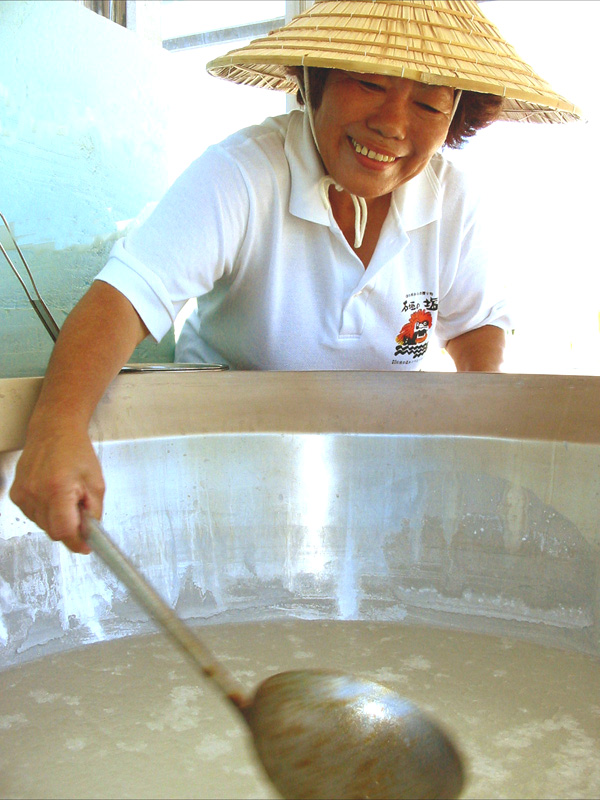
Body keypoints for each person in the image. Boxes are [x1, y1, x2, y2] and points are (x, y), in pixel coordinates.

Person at [9, 0, 581, 554]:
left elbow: (476, 326)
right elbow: (126, 298)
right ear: (318, 78)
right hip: (222, 491)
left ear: (456, 117)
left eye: (429, 106)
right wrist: (58, 427)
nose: (390, 124)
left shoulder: (453, 201)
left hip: (382, 499)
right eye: (370, 84)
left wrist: (482, 443)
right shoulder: (244, 174)